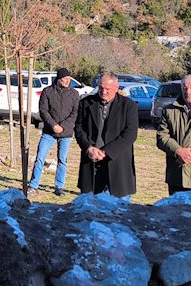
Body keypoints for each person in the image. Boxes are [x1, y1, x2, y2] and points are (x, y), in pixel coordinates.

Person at [74, 72, 138, 201]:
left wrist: (106, 152)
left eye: (108, 89)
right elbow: (79, 129)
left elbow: (130, 134)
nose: (103, 92)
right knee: (90, 208)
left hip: (118, 164)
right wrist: (88, 148)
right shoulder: (85, 103)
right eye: (101, 88)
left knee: (119, 209)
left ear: (116, 88)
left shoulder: (128, 106)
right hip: (91, 162)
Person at [28, 68, 79, 197]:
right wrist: (53, 125)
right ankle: (33, 185)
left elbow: (75, 113)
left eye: (69, 79)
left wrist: (63, 126)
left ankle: (59, 187)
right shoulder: (47, 91)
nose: (67, 81)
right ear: (58, 79)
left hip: (66, 133)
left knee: (62, 160)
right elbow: (43, 110)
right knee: (40, 158)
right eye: (65, 79)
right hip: (49, 132)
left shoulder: (74, 94)